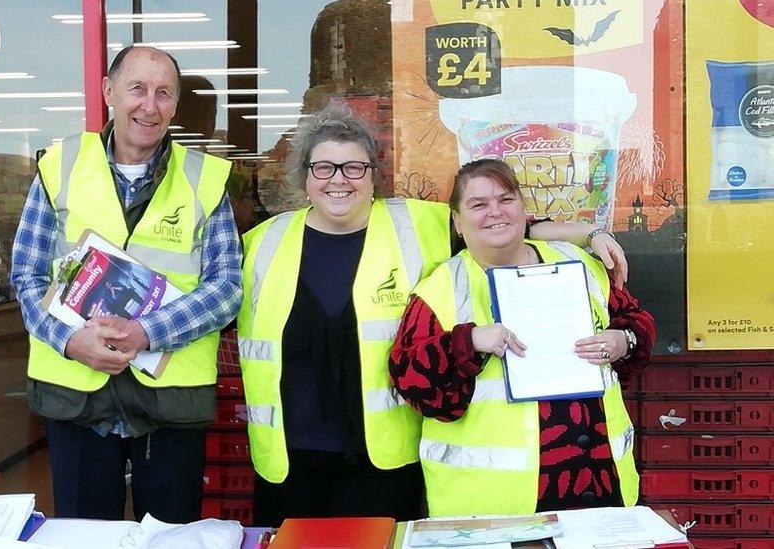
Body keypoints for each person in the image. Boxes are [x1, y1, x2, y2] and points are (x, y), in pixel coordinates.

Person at [238, 104, 630, 526]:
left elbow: (502, 222)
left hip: (384, 462)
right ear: (305, 176)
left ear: (373, 175)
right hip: (287, 459)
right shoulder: (261, 243)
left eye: (354, 167)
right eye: (324, 168)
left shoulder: (419, 223)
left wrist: (591, 234)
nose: (339, 179)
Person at [11, 46, 242, 522]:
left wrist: (147, 333)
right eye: (137, 89)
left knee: (170, 539)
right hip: (77, 401)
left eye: (164, 93)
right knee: (85, 536)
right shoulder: (60, 168)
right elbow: (27, 277)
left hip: (169, 404)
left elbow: (226, 288)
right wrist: (71, 341)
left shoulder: (205, 180)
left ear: (176, 105)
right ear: (109, 91)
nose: (149, 106)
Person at [389, 158, 655, 517]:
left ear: (524, 209)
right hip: (490, 507)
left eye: (506, 199)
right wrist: (466, 343)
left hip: (598, 481)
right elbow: (411, 379)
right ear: (458, 221)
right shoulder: (439, 290)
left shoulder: (578, 263)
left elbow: (637, 323)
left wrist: (624, 340)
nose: (495, 212)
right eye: (478, 204)